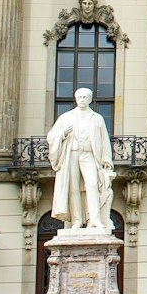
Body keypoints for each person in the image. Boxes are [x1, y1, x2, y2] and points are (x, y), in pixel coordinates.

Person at [47, 87, 114, 232]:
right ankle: (76, 220)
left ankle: (95, 220)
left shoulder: (97, 118)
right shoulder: (66, 117)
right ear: (76, 99)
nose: (82, 100)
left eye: (85, 97)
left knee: (92, 184)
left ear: (90, 99)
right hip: (71, 154)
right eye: (80, 97)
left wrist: (107, 160)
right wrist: (62, 133)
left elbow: (104, 140)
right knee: (73, 188)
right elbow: (51, 136)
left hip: (89, 155)